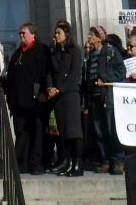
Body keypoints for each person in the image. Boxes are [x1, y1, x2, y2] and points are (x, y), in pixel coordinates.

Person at [2, 21, 49, 175]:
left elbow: (44, 73)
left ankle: (36, 163)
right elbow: (11, 76)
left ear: (33, 34)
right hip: (18, 101)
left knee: (36, 133)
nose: (21, 35)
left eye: (24, 33)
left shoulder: (41, 50)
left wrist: (42, 92)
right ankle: (21, 163)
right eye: (20, 33)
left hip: (35, 101)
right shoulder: (18, 52)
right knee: (21, 132)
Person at [84, 25, 126, 174]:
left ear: (99, 37)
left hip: (108, 96)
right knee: (99, 131)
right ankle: (106, 160)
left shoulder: (111, 52)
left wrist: (105, 79)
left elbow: (121, 72)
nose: (89, 37)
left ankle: (118, 161)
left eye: (91, 35)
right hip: (95, 97)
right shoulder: (90, 56)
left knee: (111, 129)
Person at [47, 23, 83, 176]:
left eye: (59, 33)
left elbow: (75, 73)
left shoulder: (74, 51)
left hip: (69, 93)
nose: (56, 35)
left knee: (73, 131)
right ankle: (67, 162)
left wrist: (60, 88)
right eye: (55, 33)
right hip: (57, 96)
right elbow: (50, 72)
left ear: (67, 34)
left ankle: (77, 163)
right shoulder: (55, 52)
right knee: (63, 131)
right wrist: (50, 87)